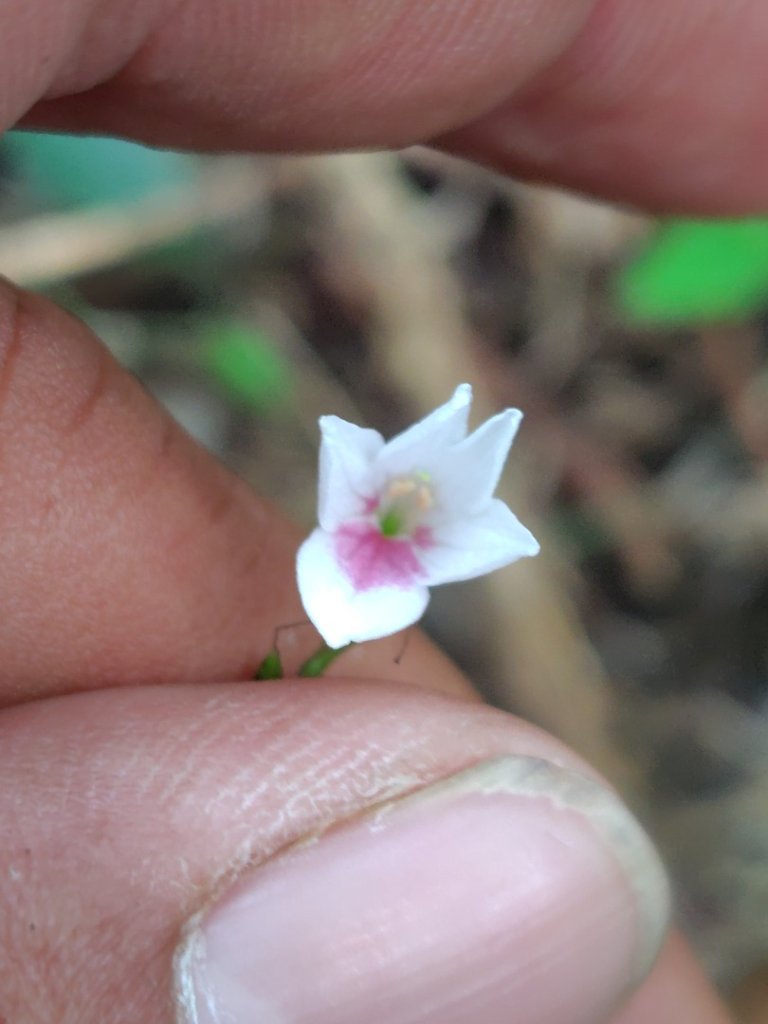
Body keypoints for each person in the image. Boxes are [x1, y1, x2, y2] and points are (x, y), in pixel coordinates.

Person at [1, 1, 762, 1020]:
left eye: (413, 504)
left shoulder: (424, 529)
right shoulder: (361, 487)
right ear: (370, 473)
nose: (402, 508)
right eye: (397, 496)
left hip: (356, 590)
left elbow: (449, 527)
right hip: (345, 578)